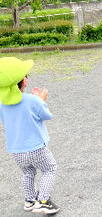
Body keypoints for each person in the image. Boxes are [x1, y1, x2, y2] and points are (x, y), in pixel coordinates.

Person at [0, 57, 60, 214]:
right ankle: (44, 201)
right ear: (24, 81)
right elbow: (47, 115)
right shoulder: (32, 100)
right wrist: (41, 101)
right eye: (26, 75)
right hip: (36, 148)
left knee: (28, 173)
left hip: (16, 150)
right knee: (50, 169)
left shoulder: (1, 103)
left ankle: (30, 200)